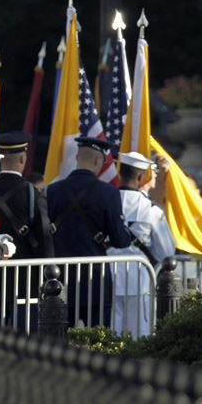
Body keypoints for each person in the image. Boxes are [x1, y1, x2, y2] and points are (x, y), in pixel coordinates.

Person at [46, 137, 131, 327]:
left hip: (60, 280)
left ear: (77, 157)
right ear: (98, 161)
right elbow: (120, 240)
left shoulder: (52, 191)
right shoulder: (108, 192)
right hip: (95, 282)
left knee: (58, 343)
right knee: (98, 343)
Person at [0, 132, 54, 330]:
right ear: (23, 158)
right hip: (25, 275)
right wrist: (49, 275)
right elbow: (44, 237)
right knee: (24, 330)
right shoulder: (32, 193)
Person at [109, 152, 175, 338]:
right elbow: (166, 253)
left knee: (109, 338)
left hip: (107, 279)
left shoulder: (105, 202)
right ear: (140, 177)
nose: (152, 181)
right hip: (140, 280)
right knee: (140, 336)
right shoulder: (152, 210)